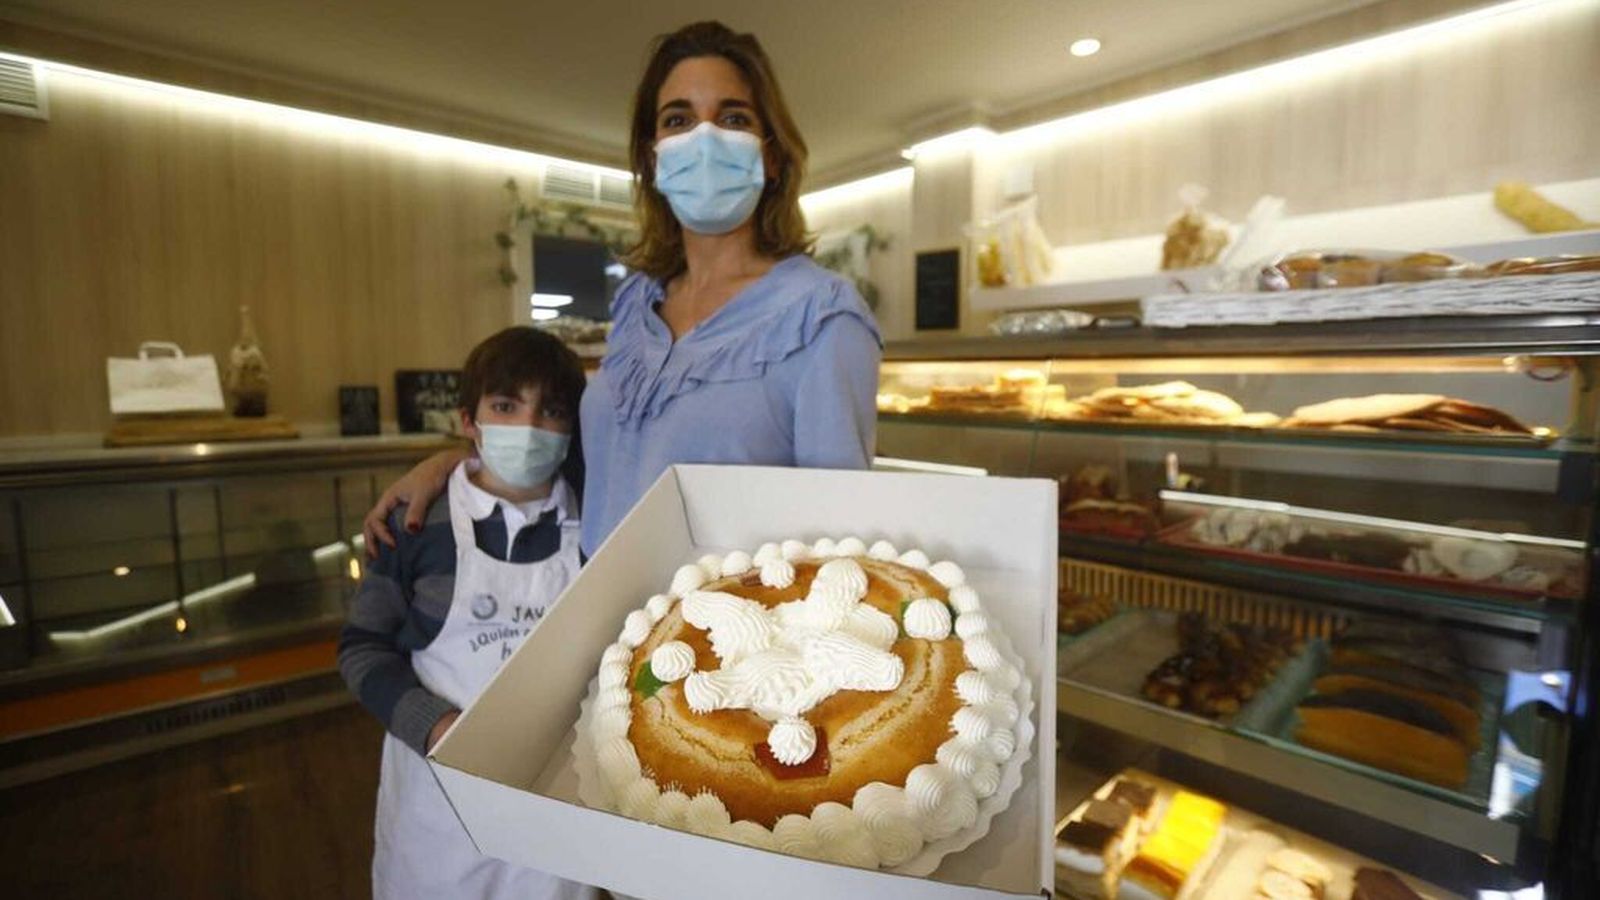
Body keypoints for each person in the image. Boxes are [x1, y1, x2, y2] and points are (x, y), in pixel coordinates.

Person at [364, 20, 881, 561]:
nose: (703, 140)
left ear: (771, 155)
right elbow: (605, 460)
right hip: (597, 610)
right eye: (678, 120)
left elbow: (840, 543)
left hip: (720, 634)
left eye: (732, 118)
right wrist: (456, 466)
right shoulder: (636, 302)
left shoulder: (823, 318)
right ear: (653, 156)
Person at [340, 326, 595, 900]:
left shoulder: (599, 521)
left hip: (551, 794)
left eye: (550, 411)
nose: (528, 428)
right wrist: (434, 726)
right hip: (438, 796)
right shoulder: (416, 524)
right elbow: (361, 648)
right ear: (469, 423)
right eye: (505, 406)